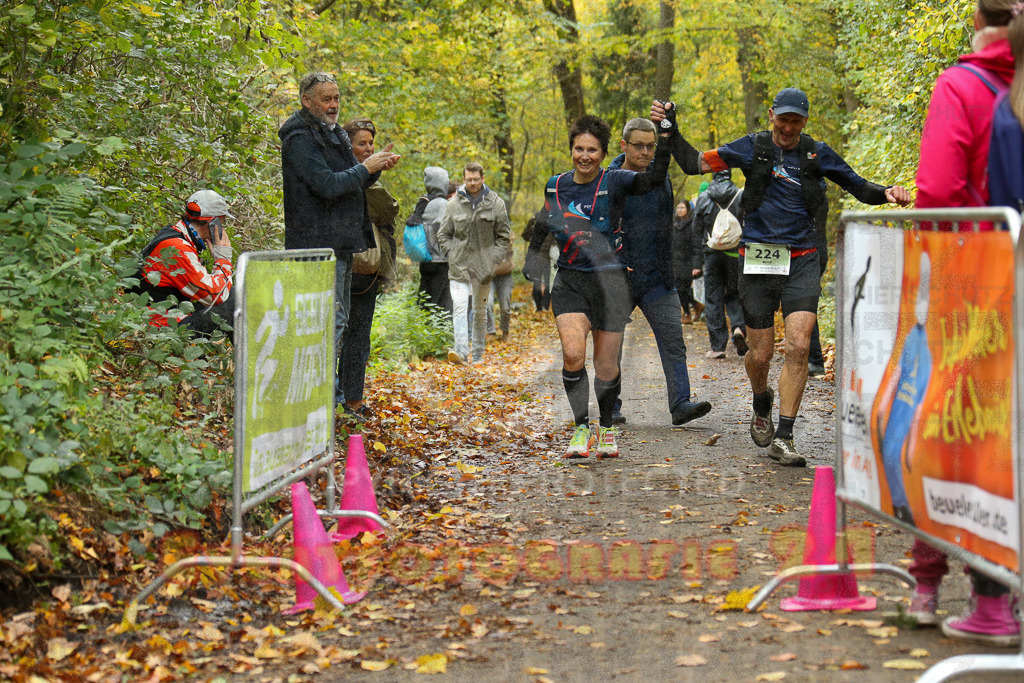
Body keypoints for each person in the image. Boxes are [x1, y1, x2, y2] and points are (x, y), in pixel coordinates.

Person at [663, 88, 912, 467]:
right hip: (758, 260)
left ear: (804, 121)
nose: (789, 128)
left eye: (796, 121)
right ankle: (761, 399)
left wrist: (888, 192)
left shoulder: (816, 153)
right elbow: (693, 163)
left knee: (798, 346)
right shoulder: (752, 147)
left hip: (803, 260)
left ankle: (784, 436)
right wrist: (670, 129)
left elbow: (858, 186)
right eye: (784, 120)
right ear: (771, 115)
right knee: (760, 354)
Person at [906, 0, 1019, 645]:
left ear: (978, 19)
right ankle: (997, 592)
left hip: (975, 281)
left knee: (949, 424)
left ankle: (935, 583)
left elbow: (941, 191)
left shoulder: (962, 86)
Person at [524, 104, 702, 458]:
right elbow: (544, 220)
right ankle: (581, 429)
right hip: (571, 281)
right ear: (571, 150)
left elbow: (652, 179)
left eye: (592, 150)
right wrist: (534, 261)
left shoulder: (616, 180)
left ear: (604, 153)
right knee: (573, 354)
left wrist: (667, 136)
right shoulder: (555, 185)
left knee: (607, 365)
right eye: (579, 149)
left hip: (612, 284)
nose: (584, 156)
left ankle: (606, 426)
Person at [279, 71, 401, 406]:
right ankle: (322, 403)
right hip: (316, 246)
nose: (333, 105)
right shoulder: (298, 138)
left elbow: (351, 181)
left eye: (336, 98)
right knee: (324, 324)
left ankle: (335, 400)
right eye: (326, 99)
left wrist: (375, 167)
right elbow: (327, 185)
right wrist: (366, 168)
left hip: (343, 244)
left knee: (339, 321)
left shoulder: (333, 134)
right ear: (307, 101)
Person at [609, 118, 713, 427]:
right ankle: (610, 406)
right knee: (611, 343)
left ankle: (680, 403)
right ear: (623, 145)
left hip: (657, 277)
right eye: (638, 146)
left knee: (673, 339)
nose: (645, 152)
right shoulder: (610, 179)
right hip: (619, 278)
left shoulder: (662, 175)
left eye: (650, 146)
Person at [337, 117, 399, 419]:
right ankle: (333, 400)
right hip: (342, 267)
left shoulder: (371, 180)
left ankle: (354, 400)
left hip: (368, 273)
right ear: (347, 145)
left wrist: (376, 170)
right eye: (361, 143)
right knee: (335, 333)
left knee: (360, 336)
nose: (368, 148)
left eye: (371, 143)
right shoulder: (339, 176)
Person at [133, 190, 235, 340]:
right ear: (213, 223)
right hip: (163, 330)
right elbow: (216, 296)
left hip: (159, 319)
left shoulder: (172, 235)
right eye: (222, 223)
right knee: (236, 299)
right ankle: (246, 354)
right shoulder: (178, 248)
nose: (223, 229)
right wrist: (223, 259)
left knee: (234, 293)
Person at [437, 162, 512, 365]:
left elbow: (504, 236)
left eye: (476, 179)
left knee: (480, 311)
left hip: (483, 269)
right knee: (460, 307)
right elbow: (443, 234)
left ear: (482, 179)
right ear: (464, 179)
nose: (472, 183)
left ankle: (477, 354)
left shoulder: (495, 203)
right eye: (469, 179)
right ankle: (461, 351)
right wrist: (452, 252)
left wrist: (493, 258)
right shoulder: (452, 205)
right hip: (459, 266)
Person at [693, 170, 747, 359]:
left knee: (713, 298)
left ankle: (717, 347)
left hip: (712, 254)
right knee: (736, 293)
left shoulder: (703, 197)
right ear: (730, 175)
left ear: (714, 177)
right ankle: (739, 328)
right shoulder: (740, 194)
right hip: (736, 254)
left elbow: (696, 229)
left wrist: (697, 261)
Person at [407, 166, 453, 317]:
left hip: (426, 259)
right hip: (440, 260)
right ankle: (436, 330)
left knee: (426, 299)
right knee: (440, 303)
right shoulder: (441, 204)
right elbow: (444, 230)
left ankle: (423, 326)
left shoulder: (424, 200)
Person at [671, 199, 703, 324]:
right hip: (675, 261)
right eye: (678, 208)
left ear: (688, 209)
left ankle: (687, 313)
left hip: (688, 261)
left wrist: (697, 265)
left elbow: (697, 246)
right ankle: (695, 306)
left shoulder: (693, 224)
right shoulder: (673, 223)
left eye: (682, 208)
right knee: (678, 288)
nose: (679, 210)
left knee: (682, 288)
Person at [521, 208, 554, 311]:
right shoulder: (551, 220)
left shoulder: (536, 220)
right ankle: (542, 307)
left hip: (545, 258)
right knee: (544, 283)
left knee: (541, 283)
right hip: (542, 258)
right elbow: (525, 236)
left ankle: (541, 307)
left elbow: (525, 236)